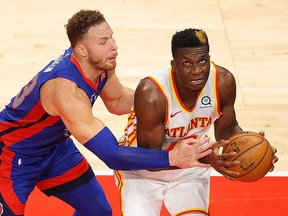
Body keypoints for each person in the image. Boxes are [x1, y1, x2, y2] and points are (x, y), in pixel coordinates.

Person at [0, 10, 217, 216]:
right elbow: (112, 155)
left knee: (98, 212)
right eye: (103, 42)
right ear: (81, 50)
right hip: (13, 154)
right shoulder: (66, 91)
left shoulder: (101, 64)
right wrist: (174, 157)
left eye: (111, 38)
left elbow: (118, 100)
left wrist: (165, 98)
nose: (113, 47)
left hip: (55, 149)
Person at [114, 28, 278, 216]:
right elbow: (151, 157)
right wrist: (207, 158)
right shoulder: (152, 93)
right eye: (186, 63)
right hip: (142, 171)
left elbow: (227, 129)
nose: (197, 70)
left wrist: (252, 148)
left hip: (190, 171)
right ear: (173, 65)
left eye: (202, 61)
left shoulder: (222, 82)